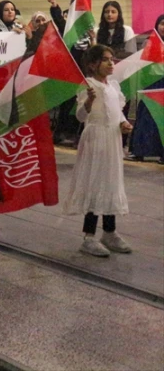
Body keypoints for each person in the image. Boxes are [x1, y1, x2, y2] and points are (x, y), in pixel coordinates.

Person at [64, 44, 132, 257]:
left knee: (111, 182)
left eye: (112, 59)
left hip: (112, 139)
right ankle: (89, 236)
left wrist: (123, 123)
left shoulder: (113, 86)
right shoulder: (88, 86)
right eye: (105, 59)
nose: (111, 63)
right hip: (96, 140)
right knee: (95, 183)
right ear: (93, 65)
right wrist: (90, 101)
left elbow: (117, 111)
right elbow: (81, 117)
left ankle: (109, 232)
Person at [130, 15, 164, 162]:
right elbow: (142, 65)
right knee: (146, 116)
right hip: (151, 83)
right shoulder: (148, 42)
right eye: (162, 24)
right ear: (156, 25)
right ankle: (139, 151)